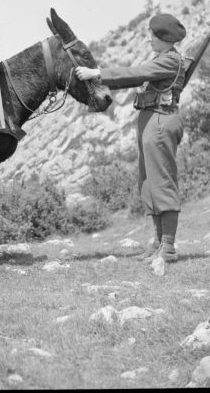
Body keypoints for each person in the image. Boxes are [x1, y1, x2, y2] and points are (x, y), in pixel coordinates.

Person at [76, 13, 187, 263]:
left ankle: (168, 247)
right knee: (148, 184)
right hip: (151, 120)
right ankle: (158, 243)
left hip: (161, 121)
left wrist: (97, 73)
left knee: (162, 182)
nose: (149, 39)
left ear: (164, 38)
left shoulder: (170, 61)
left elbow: (136, 73)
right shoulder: (163, 58)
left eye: (152, 34)